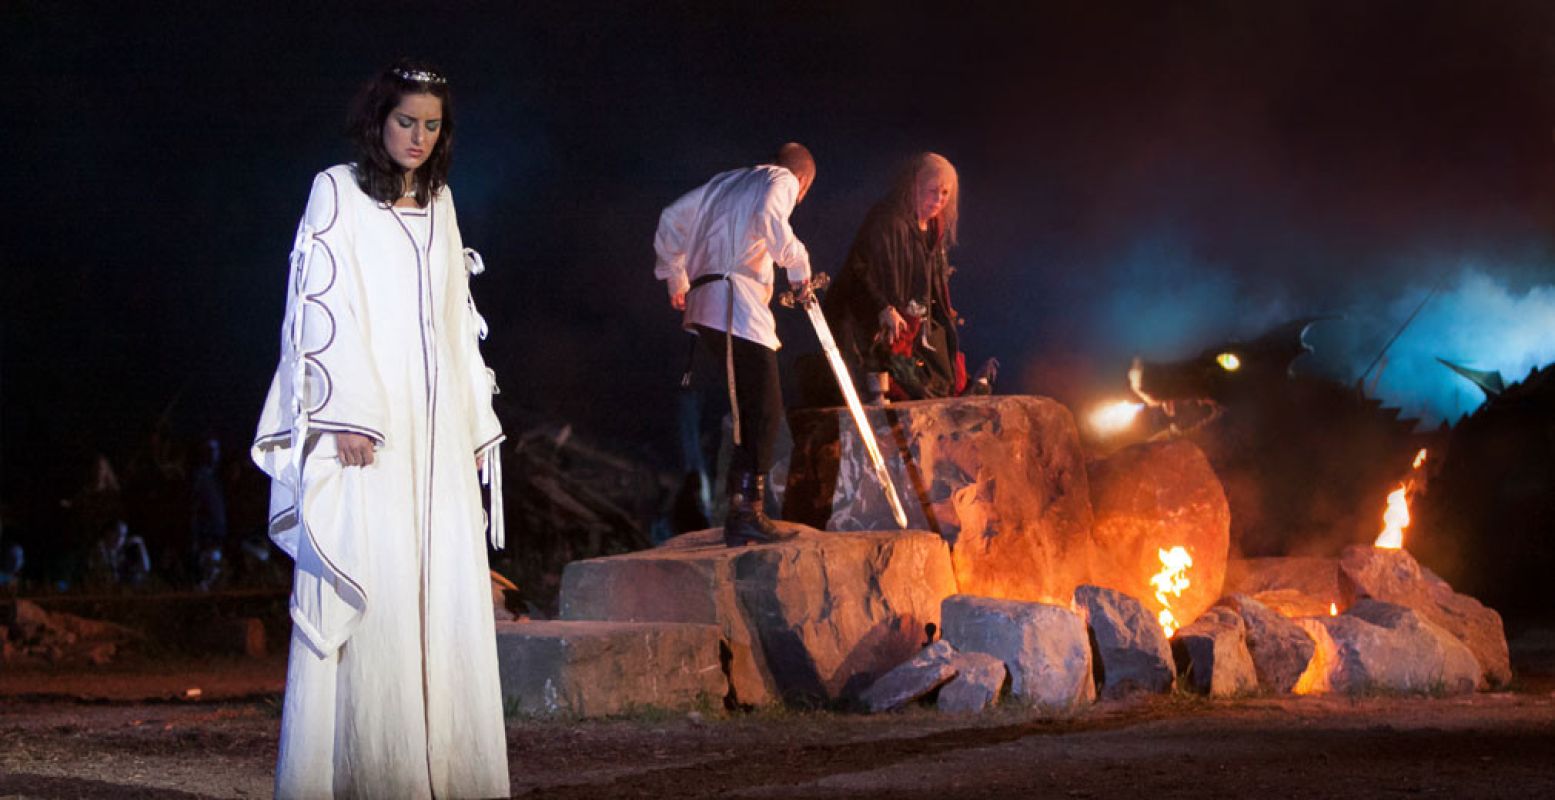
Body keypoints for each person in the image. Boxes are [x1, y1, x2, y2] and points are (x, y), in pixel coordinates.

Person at [251, 60, 509, 799]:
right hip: (369, 430)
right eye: (406, 121)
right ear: (378, 121)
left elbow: (455, 311)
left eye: (431, 125)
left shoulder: (443, 201)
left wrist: (470, 417)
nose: (418, 137)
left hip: (435, 439)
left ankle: (448, 773)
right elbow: (321, 294)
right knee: (379, 582)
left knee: (438, 588)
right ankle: (370, 769)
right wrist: (346, 413)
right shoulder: (336, 189)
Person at [654, 144, 815, 546]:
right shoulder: (781, 180)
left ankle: (743, 510)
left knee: (750, 406)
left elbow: (671, 218)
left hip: (710, 302)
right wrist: (797, 266)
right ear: (804, 182)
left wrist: (676, 277)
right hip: (733, 302)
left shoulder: (723, 183)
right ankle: (746, 511)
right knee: (763, 408)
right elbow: (768, 218)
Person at [823, 152, 988, 401]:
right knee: (898, 375)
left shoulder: (935, 228)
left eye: (945, 193)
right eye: (934, 190)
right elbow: (859, 268)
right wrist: (882, 307)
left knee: (943, 369)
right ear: (915, 186)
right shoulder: (887, 220)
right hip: (875, 319)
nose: (940, 199)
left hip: (914, 320)